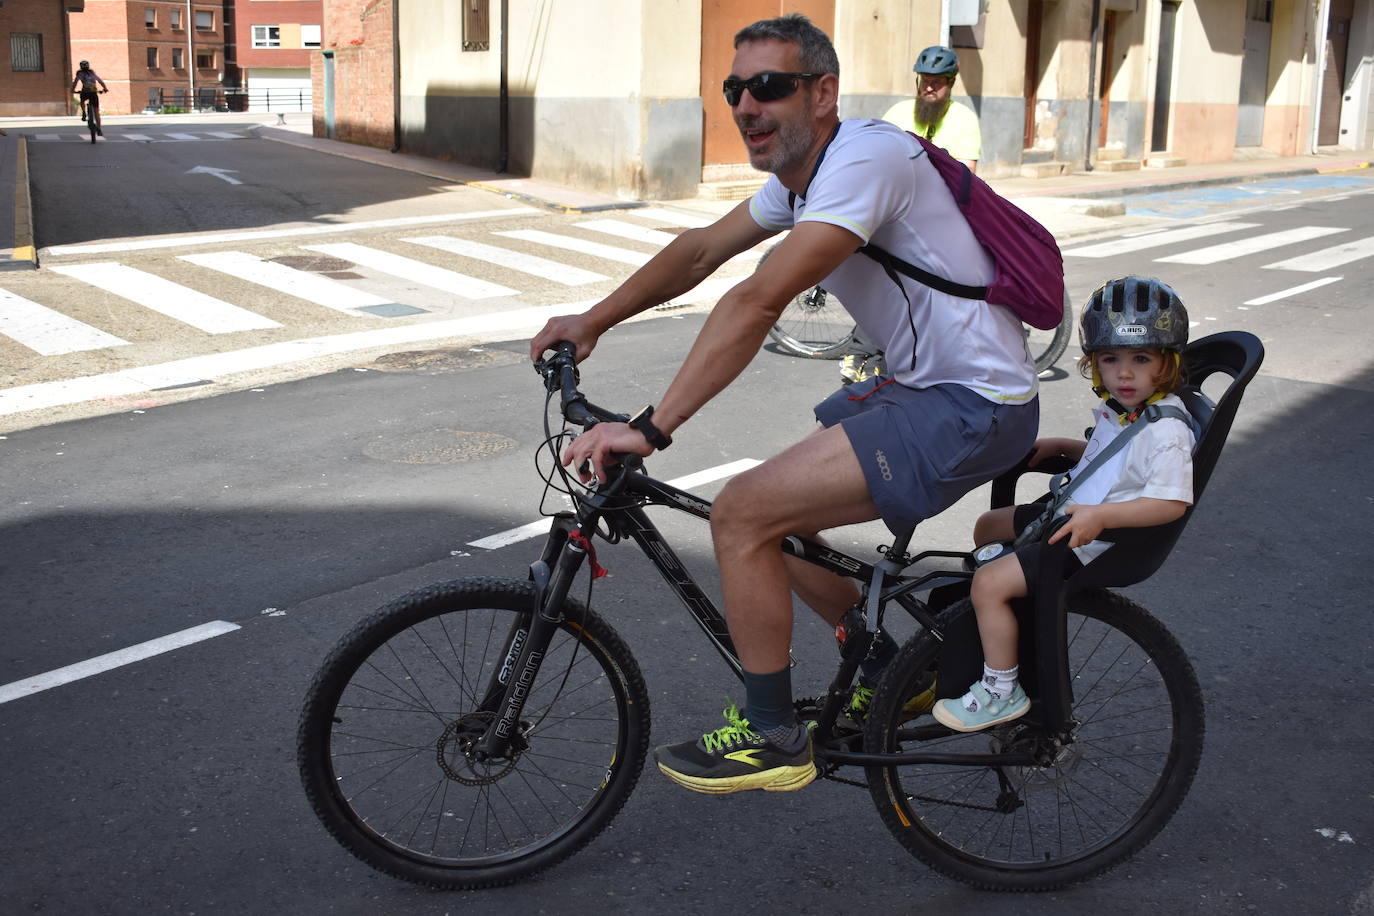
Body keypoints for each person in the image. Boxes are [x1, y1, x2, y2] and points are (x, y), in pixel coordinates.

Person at [529, 14, 1039, 795]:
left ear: (823, 93)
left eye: (769, 87)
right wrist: (592, 320)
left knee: (742, 512)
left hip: (973, 403)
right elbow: (702, 250)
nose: (745, 106)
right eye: (735, 89)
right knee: (786, 511)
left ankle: (771, 733)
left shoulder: (865, 160)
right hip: (927, 390)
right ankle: (884, 664)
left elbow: (761, 297)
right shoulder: (804, 176)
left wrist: (650, 427)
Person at [933, 276, 1194, 732]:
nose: (1125, 374)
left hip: (1091, 538)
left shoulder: (1166, 431)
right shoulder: (1129, 411)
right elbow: (1119, 461)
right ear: (1095, 364)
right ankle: (1002, 623)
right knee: (988, 526)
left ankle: (1000, 688)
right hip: (1071, 515)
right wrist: (1068, 447)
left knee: (988, 584)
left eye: (1141, 359)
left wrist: (1103, 515)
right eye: (1111, 359)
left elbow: (1170, 503)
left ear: (1166, 364)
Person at [880, 45, 981, 172]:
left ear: (951, 82)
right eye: (925, 81)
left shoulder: (965, 118)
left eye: (936, 82)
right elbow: (878, 152)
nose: (929, 88)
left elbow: (967, 169)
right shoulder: (897, 112)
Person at [71, 60, 108, 139]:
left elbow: (75, 82)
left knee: (82, 101)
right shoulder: (92, 73)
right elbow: (100, 81)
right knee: (96, 111)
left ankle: (84, 112)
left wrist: (72, 90)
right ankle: (99, 128)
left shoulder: (80, 74)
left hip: (85, 92)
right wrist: (105, 88)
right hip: (93, 92)